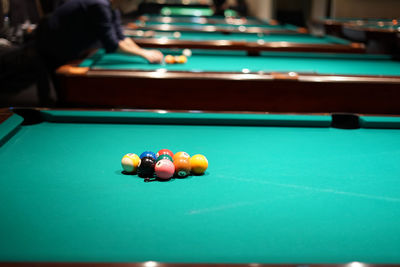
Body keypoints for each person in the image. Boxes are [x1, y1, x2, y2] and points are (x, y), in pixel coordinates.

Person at [0, 0, 163, 105]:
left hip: (64, 41)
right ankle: (51, 111)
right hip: (51, 40)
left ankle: (56, 105)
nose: (136, 6)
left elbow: (121, 37)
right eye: (135, 2)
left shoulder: (113, 8)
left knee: (57, 84)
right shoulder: (99, 5)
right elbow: (112, 44)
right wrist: (144, 55)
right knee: (53, 84)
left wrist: (144, 52)